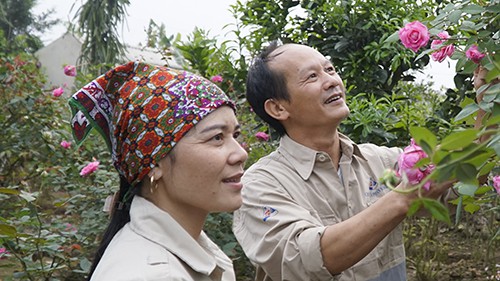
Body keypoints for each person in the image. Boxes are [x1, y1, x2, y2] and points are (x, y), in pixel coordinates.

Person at [232, 42, 457, 281]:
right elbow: (306, 260)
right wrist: (402, 197)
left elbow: (458, 187)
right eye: (311, 76)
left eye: (330, 69)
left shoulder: (378, 160)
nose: (331, 81)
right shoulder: (260, 185)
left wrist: (486, 118)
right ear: (278, 108)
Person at [69, 61, 248, 281]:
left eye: (235, 135)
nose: (241, 154)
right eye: (217, 137)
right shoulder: (152, 274)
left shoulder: (191, 252)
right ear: (154, 162)